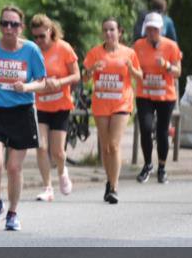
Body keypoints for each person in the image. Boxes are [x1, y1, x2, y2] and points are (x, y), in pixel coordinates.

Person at [0, 6, 46, 230]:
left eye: (14, 24)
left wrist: (26, 87)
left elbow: (43, 81)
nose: (9, 28)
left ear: (21, 28)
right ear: (0, 25)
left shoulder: (31, 50)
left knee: (14, 167)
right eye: (5, 23)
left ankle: (13, 213)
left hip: (22, 112)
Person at [84, 18, 143, 204]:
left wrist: (132, 68)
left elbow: (140, 76)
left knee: (115, 144)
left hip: (121, 103)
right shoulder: (95, 53)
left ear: (120, 33)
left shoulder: (129, 53)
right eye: (105, 30)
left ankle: (114, 187)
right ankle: (109, 181)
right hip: (101, 103)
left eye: (112, 30)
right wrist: (92, 69)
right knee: (106, 145)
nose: (109, 33)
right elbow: (84, 78)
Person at [30, 14, 80, 202]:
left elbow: (76, 76)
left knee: (57, 152)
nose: (38, 41)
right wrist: (41, 82)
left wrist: (59, 82)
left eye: (42, 36)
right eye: (35, 37)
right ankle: (47, 187)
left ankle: (62, 171)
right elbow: (28, 76)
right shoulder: (33, 51)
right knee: (41, 147)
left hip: (60, 106)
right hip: (40, 105)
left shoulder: (64, 48)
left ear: (50, 32)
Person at [133, 12, 183, 184]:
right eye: (149, 29)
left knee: (162, 132)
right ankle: (148, 165)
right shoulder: (138, 46)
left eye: (155, 29)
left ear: (161, 29)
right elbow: (133, 68)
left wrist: (167, 66)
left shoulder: (171, 46)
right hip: (144, 94)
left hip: (165, 95)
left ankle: (162, 167)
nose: (152, 32)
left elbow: (178, 72)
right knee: (146, 128)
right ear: (145, 30)